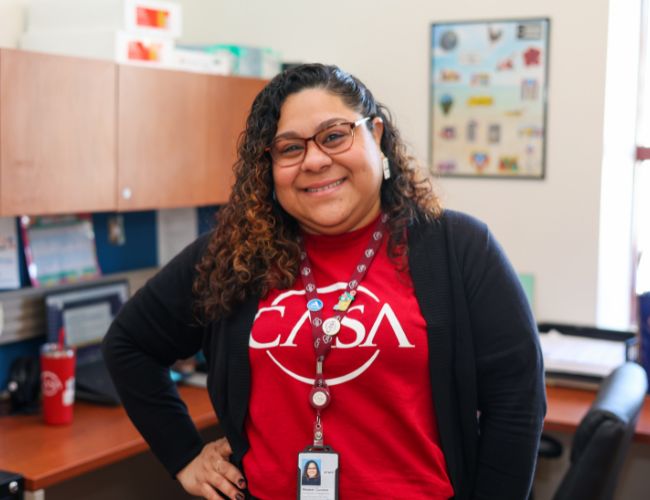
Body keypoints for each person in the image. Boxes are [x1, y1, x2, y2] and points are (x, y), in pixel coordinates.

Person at [103, 63, 546, 500]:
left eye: (335, 136)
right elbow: (129, 344)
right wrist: (182, 455)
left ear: (375, 136)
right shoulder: (236, 255)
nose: (315, 161)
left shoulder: (457, 246)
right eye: (289, 149)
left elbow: (517, 402)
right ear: (269, 168)